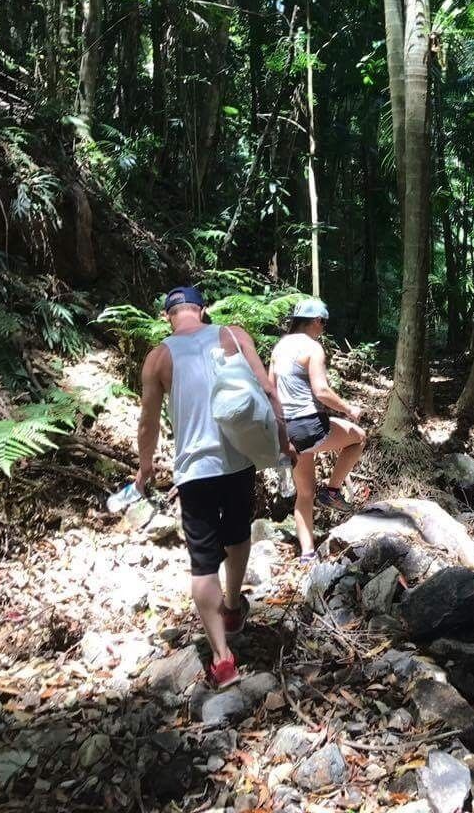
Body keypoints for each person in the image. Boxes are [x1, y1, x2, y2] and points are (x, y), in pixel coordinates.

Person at [136, 286, 294, 689]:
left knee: (202, 561)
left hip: (193, 470)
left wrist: (145, 467)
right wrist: (282, 441)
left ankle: (223, 659)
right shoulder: (234, 335)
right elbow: (268, 389)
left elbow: (148, 422)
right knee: (238, 533)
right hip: (238, 459)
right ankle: (232, 604)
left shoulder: (158, 358)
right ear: (202, 310)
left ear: (166, 316)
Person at [270, 297, 366, 562]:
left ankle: (307, 553)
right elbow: (321, 390)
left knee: (304, 493)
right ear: (314, 321)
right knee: (358, 438)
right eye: (322, 322)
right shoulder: (312, 348)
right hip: (309, 426)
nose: (323, 327)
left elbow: (270, 389)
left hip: (286, 431)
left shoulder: (279, 348)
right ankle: (333, 491)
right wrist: (349, 409)